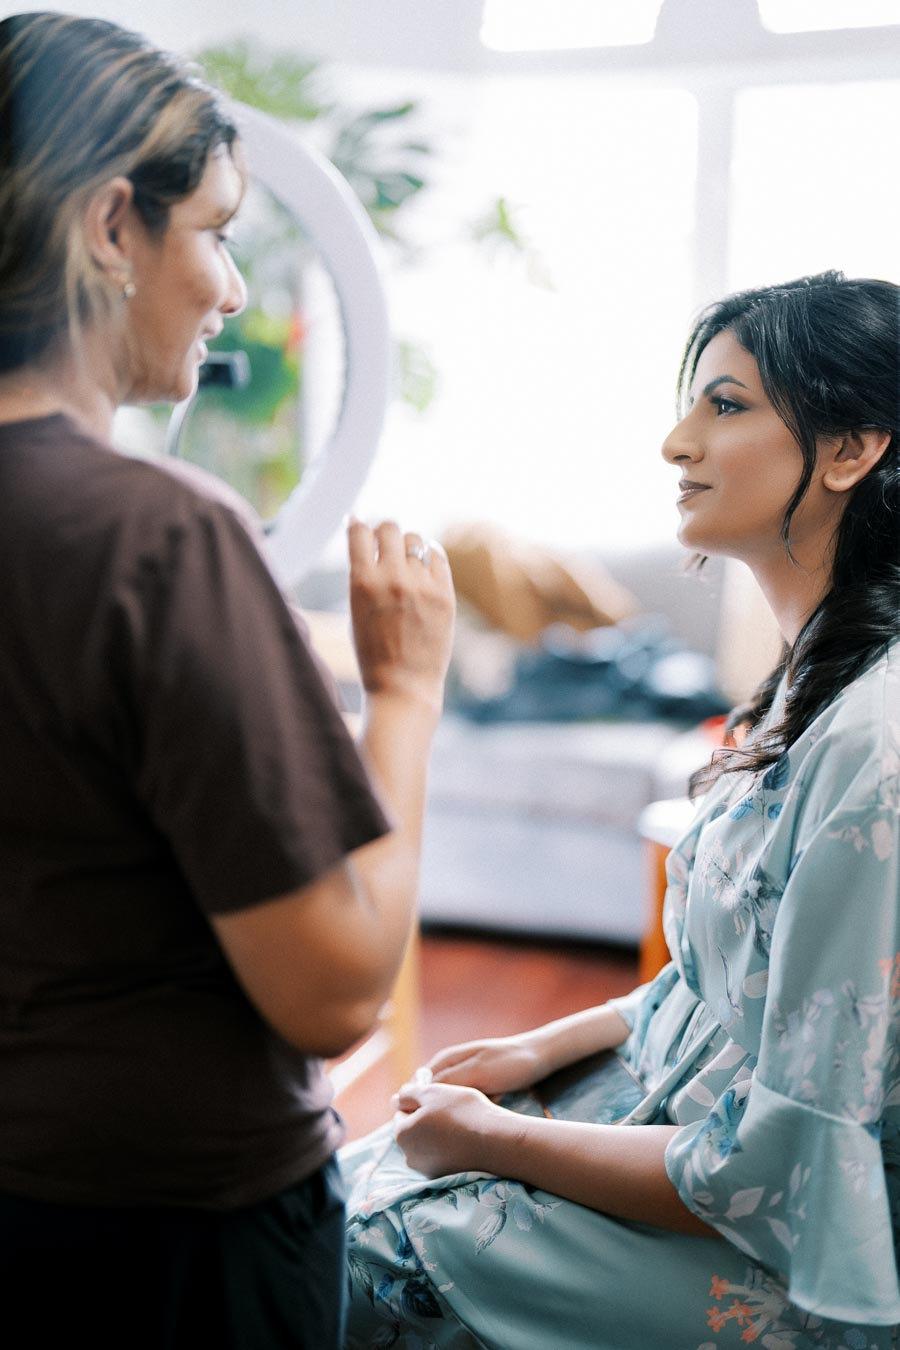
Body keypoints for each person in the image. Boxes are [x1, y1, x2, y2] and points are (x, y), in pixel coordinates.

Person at [0, 12, 454, 1348]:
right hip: (166, 1238)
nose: (235, 288)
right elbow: (336, 988)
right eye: (213, 229)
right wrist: (405, 691)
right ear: (107, 226)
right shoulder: (159, 535)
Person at [341, 271, 900, 1350]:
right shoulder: (809, 681)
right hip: (682, 1141)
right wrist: (527, 1052)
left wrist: (496, 1143)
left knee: (355, 1258)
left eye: (726, 406)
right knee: (345, 1188)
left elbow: (785, 1170)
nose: (676, 442)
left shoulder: (874, 746)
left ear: (850, 450)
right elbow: (716, 982)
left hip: (781, 1253)